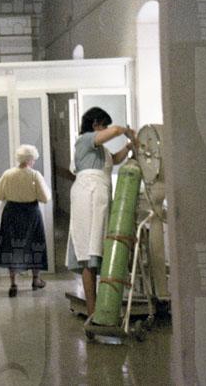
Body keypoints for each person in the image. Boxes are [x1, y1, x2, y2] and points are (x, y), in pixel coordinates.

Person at [66, 107, 136, 317]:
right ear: (95, 124)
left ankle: (101, 309)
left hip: (99, 196)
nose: (105, 128)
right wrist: (125, 131)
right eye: (103, 125)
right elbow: (113, 131)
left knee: (98, 249)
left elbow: (115, 159)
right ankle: (92, 311)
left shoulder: (101, 150)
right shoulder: (85, 140)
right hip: (88, 196)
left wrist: (130, 146)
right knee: (89, 252)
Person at [0, 144, 51, 297]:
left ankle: (13, 283)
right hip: (31, 213)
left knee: (11, 247)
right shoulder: (35, 175)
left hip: (11, 213)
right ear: (30, 159)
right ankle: (36, 279)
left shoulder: (7, 174)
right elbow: (45, 198)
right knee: (35, 245)